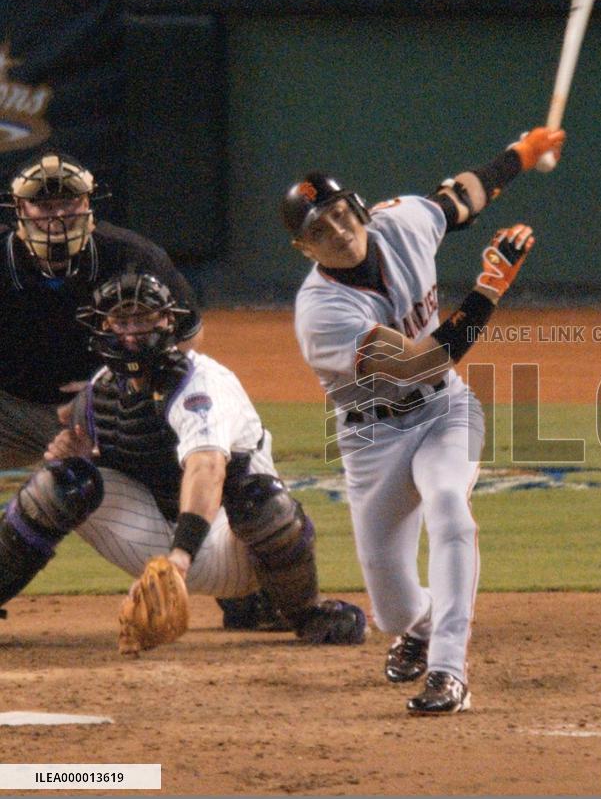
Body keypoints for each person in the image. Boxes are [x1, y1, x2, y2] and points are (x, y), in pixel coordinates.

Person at [282, 126, 563, 714]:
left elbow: (461, 197)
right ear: (305, 249)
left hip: (444, 411)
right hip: (372, 439)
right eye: (320, 230)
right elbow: (421, 360)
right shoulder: (322, 313)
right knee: (393, 610)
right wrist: (488, 289)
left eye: (340, 214)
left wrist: (521, 154)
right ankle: (421, 627)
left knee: (448, 505)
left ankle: (448, 671)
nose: (339, 231)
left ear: (357, 207)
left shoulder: (404, 222)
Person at [0, 268, 367, 648]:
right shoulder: (102, 388)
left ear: (168, 322)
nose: (132, 334)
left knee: (262, 501)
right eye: (121, 321)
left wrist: (180, 557)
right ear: (103, 327)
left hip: (230, 545)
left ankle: (300, 610)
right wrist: (71, 456)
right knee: (62, 482)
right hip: (147, 536)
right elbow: (89, 458)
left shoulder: (201, 384)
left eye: (143, 319)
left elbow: (207, 469)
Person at [0, 151, 203, 469]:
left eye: (69, 203)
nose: (58, 216)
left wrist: (115, 386)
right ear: (19, 208)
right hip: (14, 411)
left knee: (179, 400)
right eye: (45, 206)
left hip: (106, 407)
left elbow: (187, 335)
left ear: (87, 203)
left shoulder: (130, 257)